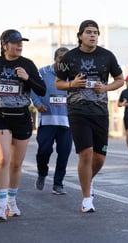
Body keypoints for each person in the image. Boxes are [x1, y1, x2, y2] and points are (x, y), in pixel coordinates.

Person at [55, 20, 124, 213]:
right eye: (88, 32)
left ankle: (87, 181)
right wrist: (72, 85)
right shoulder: (69, 57)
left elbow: (120, 80)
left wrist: (106, 87)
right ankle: (87, 199)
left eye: (95, 32)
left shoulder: (107, 56)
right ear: (80, 36)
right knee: (85, 154)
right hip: (78, 112)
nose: (93, 35)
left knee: (99, 159)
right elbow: (58, 83)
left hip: (100, 112)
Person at [0, 29, 46, 221]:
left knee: (16, 164)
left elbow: (41, 89)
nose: (19, 45)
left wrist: (28, 78)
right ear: (4, 45)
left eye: (21, 42)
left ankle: (11, 201)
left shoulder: (27, 64)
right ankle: (0, 206)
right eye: (15, 42)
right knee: (3, 159)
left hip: (21, 117)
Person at [31, 47, 73, 195]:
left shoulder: (73, 75)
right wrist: (37, 104)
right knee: (43, 152)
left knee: (64, 154)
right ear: (55, 59)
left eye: (66, 59)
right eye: (60, 58)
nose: (63, 61)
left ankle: (58, 184)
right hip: (47, 120)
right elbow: (32, 89)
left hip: (66, 123)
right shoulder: (43, 72)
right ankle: (42, 173)